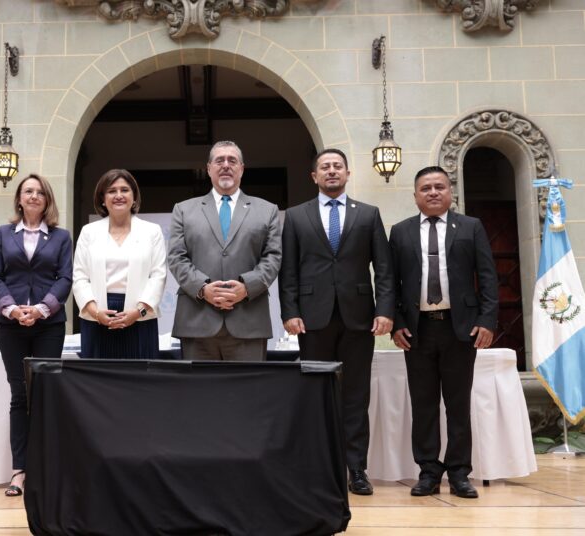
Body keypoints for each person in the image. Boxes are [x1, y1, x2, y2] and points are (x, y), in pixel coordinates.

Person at [278, 148, 394, 496]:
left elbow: (384, 269)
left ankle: (356, 469)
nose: (331, 171)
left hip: (359, 319)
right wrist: (289, 312)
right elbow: (288, 270)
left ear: (347, 173)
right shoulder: (295, 216)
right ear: (314, 176)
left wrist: (385, 310)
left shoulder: (368, 214)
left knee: (355, 395)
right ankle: (318, 466)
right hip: (312, 320)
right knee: (315, 393)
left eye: (337, 166)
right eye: (325, 167)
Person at [389, 166, 498, 499]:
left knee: (458, 404)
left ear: (450, 192)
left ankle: (460, 473)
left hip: (460, 329)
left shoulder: (471, 227)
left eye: (439, 187)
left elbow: (488, 276)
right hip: (417, 331)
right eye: (426, 188)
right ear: (415, 196)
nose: (433, 192)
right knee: (423, 405)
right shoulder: (401, 231)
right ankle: (428, 472)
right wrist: (396, 322)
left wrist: (487, 320)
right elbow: (390, 283)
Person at [0, 173, 73, 497]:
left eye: (40, 192)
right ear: (19, 199)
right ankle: (19, 471)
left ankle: (47, 468)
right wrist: (11, 309)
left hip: (49, 324)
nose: (34, 196)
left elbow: (65, 278)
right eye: (28, 191)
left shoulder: (61, 237)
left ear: (47, 199)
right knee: (20, 395)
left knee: (46, 394)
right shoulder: (2, 234)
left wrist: (40, 309)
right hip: (10, 325)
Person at [168, 141, 281, 361]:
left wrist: (247, 287)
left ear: (242, 169)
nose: (226, 165)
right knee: (199, 385)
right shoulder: (183, 210)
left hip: (248, 321)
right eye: (219, 160)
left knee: (247, 386)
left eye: (232, 160)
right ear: (209, 168)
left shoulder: (267, 210)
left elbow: (273, 257)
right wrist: (203, 289)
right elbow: (176, 257)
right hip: (197, 321)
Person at [73, 169, 167, 358]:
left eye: (124, 190)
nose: (118, 195)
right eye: (111, 191)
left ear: (134, 197)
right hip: (98, 315)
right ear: (102, 198)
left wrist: (138, 312)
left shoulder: (152, 231)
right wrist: (96, 313)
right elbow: (80, 277)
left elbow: (158, 276)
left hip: (139, 315)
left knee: (140, 374)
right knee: (98, 374)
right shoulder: (89, 232)